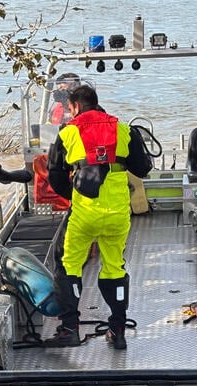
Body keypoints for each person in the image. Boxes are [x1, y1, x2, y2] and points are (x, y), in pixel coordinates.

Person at [45, 85, 152, 350]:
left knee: (69, 264)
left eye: (69, 109)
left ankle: (69, 328)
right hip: (117, 213)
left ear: (76, 107)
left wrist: (73, 196)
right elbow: (144, 168)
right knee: (114, 266)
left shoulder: (67, 132)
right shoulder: (125, 129)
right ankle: (117, 330)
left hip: (84, 212)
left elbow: (55, 176)